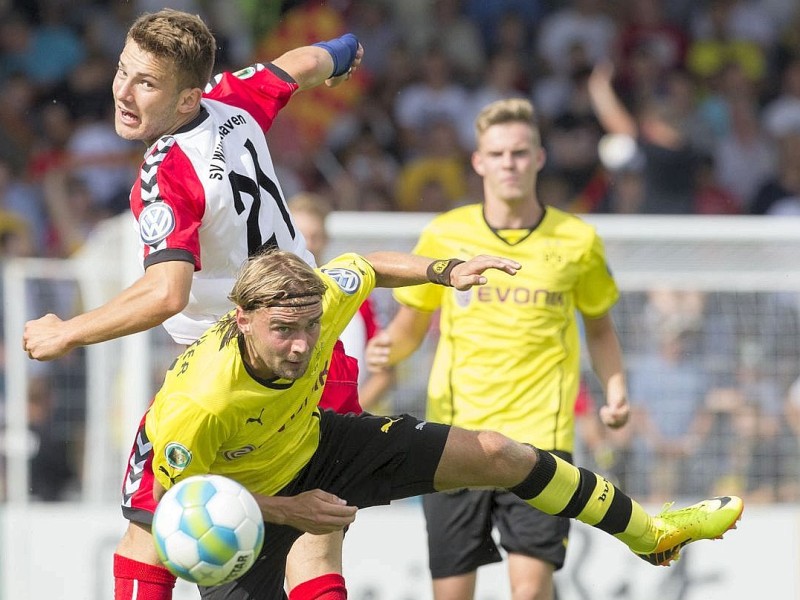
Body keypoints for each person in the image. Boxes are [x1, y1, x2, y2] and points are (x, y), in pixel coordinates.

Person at [116, 248, 743, 600]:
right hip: (243, 496)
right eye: (284, 330)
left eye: (310, 327)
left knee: (498, 452)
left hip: (318, 444)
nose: (304, 345)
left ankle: (650, 531)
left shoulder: (318, 302)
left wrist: (443, 271)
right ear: (243, 320)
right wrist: (288, 509)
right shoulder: (200, 403)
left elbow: (365, 266)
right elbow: (180, 503)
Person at [19, 9, 365, 600]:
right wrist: (343, 50)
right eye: (123, 72)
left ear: (185, 100)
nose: (123, 94)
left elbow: (166, 292)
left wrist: (67, 333)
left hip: (228, 371)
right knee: (316, 541)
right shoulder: (236, 99)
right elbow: (302, 63)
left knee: (146, 534)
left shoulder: (166, 172)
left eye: (146, 83)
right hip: (317, 348)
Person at [365, 97, 630, 600]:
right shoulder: (446, 232)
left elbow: (598, 327)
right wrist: (388, 350)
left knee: (529, 591)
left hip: (541, 438)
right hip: (455, 437)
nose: (510, 163)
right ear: (479, 161)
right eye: (499, 153)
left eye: (520, 152)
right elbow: (411, 322)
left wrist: (615, 389)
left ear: (539, 158)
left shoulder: (577, 240)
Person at [287, 191, 394, 410]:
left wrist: (348, 420)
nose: (307, 245)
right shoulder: (265, 298)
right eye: (299, 236)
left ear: (325, 239)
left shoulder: (354, 296)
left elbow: (384, 372)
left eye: (314, 236)